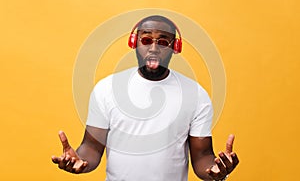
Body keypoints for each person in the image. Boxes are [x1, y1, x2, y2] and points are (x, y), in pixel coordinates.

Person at [52, 15, 239, 181]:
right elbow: (91, 148)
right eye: (147, 39)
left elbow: (202, 156)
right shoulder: (106, 89)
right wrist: (79, 161)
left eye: (163, 42)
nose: (154, 48)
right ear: (135, 42)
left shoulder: (196, 95)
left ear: (175, 47)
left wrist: (217, 171)